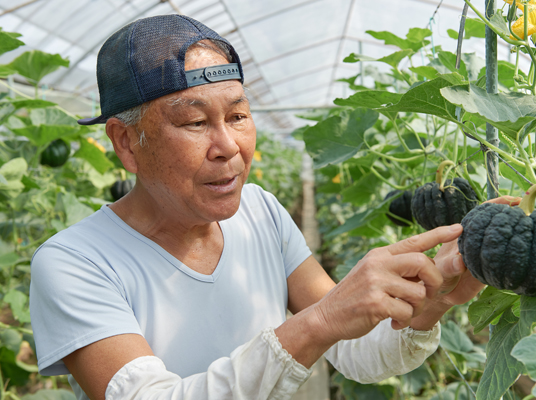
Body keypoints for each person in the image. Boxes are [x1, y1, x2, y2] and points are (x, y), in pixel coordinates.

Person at [29, 14, 507, 400]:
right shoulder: (76, 262)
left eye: (238, 116)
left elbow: (358, 356)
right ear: (127, 141)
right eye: (195, 122)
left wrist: (432, 301)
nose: (228, 146)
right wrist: (319, 321)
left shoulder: (260, 210)